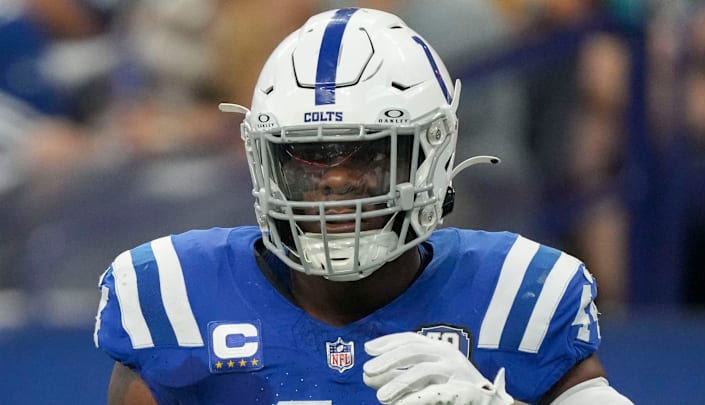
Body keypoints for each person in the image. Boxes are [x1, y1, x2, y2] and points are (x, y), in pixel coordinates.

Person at [93, 8, 634, 405]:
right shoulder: (174, 298)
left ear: (432, 153)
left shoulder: (517, 294)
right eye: (308, 158)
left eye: (371, 154)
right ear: (265, 161)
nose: (337, 180)